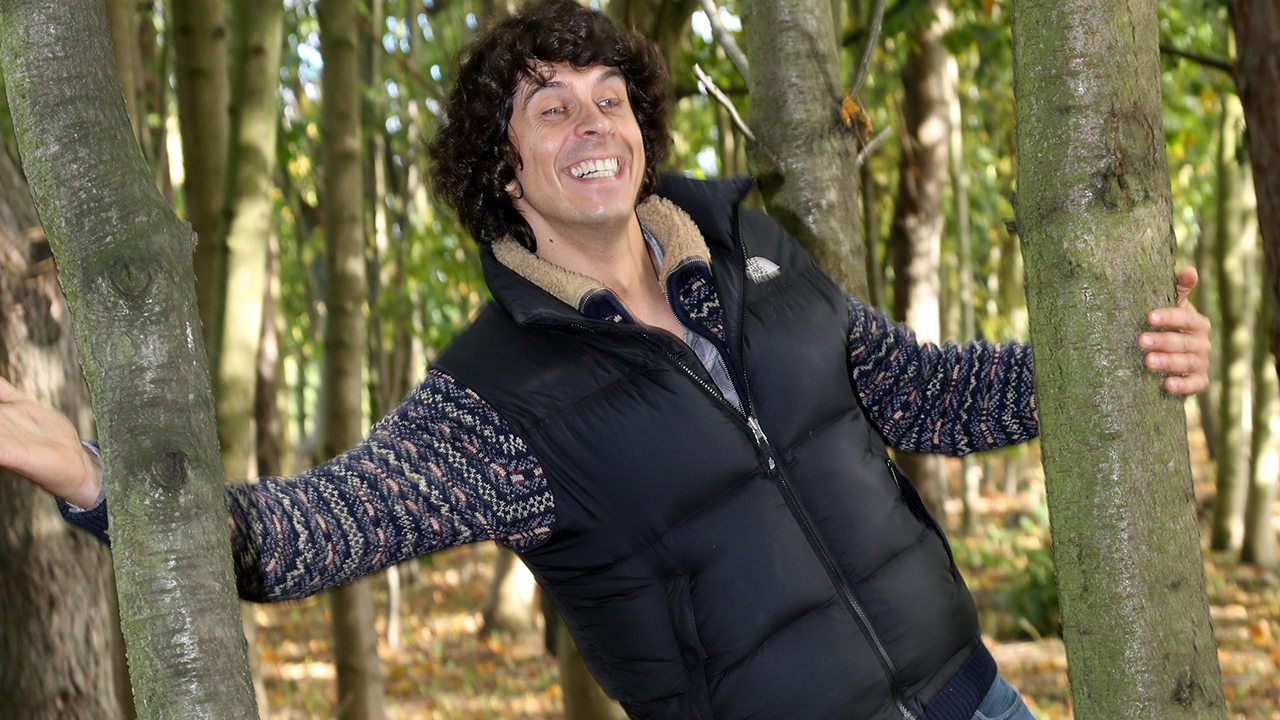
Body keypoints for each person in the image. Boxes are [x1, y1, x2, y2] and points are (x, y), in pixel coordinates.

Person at [0, 2, 1212, 718]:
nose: (593, 125)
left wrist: (1119, 348)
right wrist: (92, 477)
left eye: (609, 98)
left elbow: (922, 393)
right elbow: (302, 530)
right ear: (504, 172)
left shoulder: (756, 257)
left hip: (973, 699)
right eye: (549, 109)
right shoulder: (493, 398)